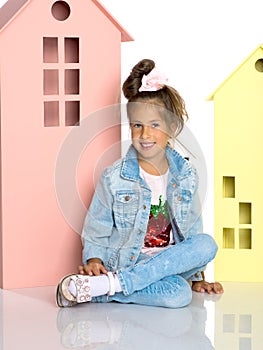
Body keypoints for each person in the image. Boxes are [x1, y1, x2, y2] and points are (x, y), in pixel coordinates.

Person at [56, 59, 224, 308]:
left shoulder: (186, 176)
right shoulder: (114, 178)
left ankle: (104, 289)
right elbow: (97, 227)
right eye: (137, 125)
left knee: (203, 250)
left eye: (155, 125)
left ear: (173, 127)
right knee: (179, 296)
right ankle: (112, 281)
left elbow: (192, 231)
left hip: (169, 265)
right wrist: (94, 259)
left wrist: (198, 277)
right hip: (130, 261)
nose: (144, 135)